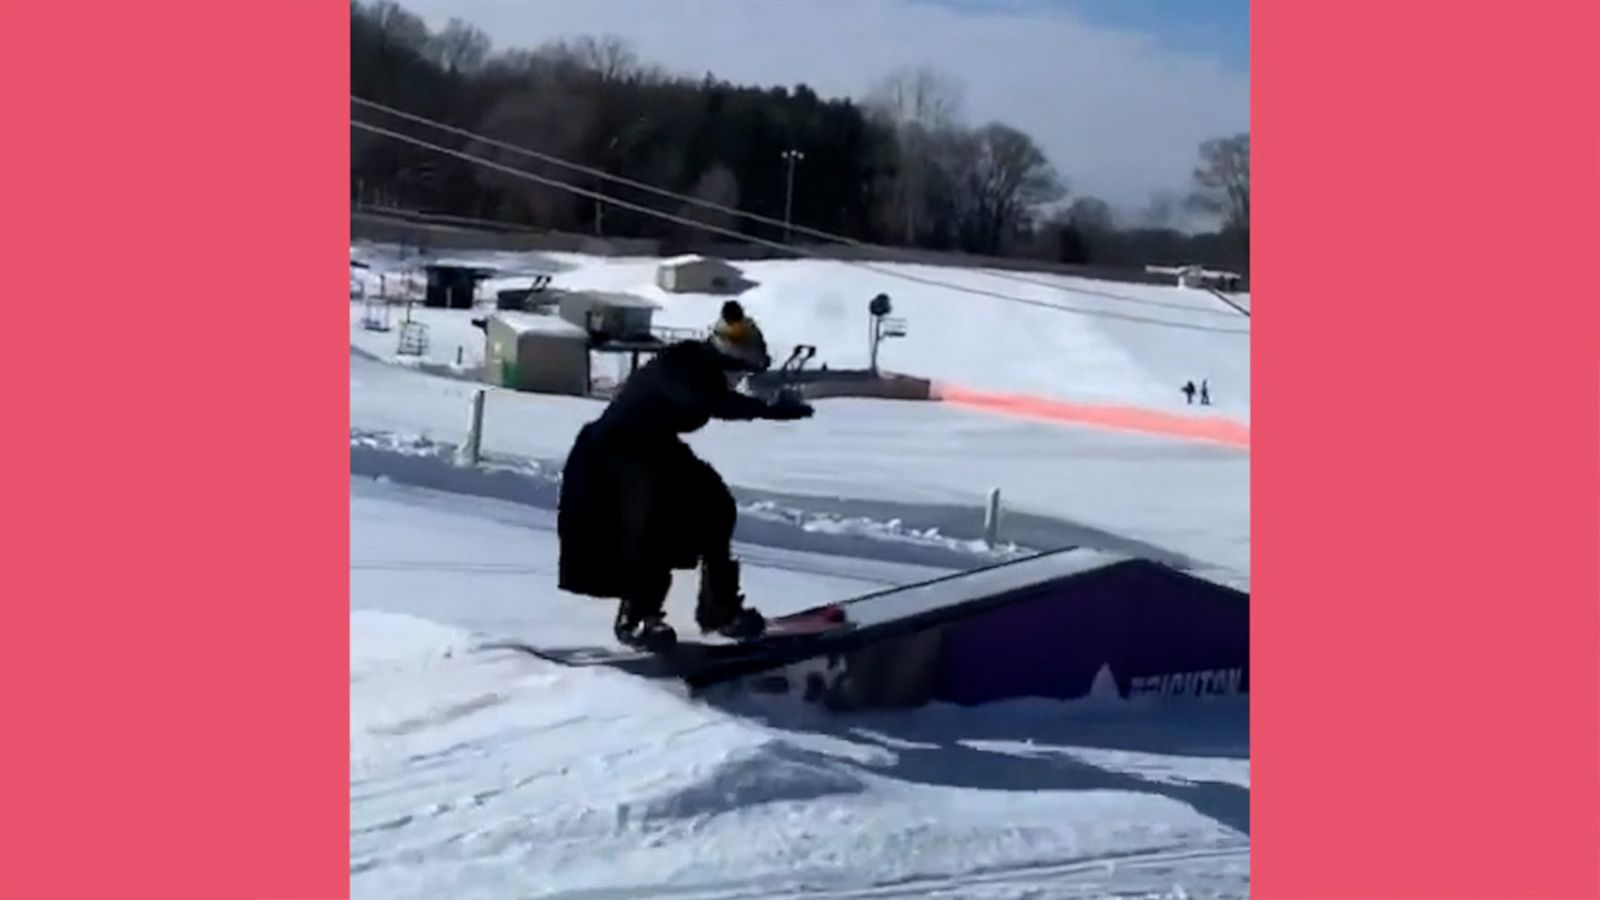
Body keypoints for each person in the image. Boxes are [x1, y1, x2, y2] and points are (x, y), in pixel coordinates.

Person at [556, 304, 814, 650]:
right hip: (614, 452)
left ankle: (720, 611)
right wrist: (765, 409)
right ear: (729, 362)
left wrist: (766, 409)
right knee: (650, 528)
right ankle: (637, 619)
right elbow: (699, 396)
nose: (739, 382)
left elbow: (712, 398)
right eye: (741, 374)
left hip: (654, 447)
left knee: (716, 506)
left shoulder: (701, 369)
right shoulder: (684, 363)